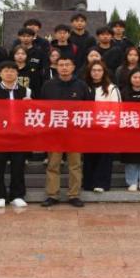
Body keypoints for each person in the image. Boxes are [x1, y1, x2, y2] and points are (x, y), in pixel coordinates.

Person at [41, 56, 93, 208]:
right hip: (54, 131)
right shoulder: (48, 85)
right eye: (61, 65)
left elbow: (89, 108)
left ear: (73, 67)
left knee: (75, 165)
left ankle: (74, 195)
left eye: (67, 64)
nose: (64, 67)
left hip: (75, 131)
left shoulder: (81, 85)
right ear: (56, 67)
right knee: (53, 164)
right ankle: (52, 195)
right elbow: (42, 107)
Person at [0, 63, 31, 208]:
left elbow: (32, 114)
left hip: (19, 135)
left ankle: (17, 195)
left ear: (17, 73)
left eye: (12, 71)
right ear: (0, 73)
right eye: (6, 71)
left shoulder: (27, 91)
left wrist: (30, 104)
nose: (9, 73)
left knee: (18, 166)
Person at [82, 61, 120, 193]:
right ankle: (88, 183)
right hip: (87, 126)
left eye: (99, 70)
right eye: (93, 70)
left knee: (104, 157)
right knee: (89, 156)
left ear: (104, 72)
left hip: (105, 127)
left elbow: (117, 109)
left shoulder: (111, 88)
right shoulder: (83, 86)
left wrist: (112, 126)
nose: (96, 73)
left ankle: (101, 183)